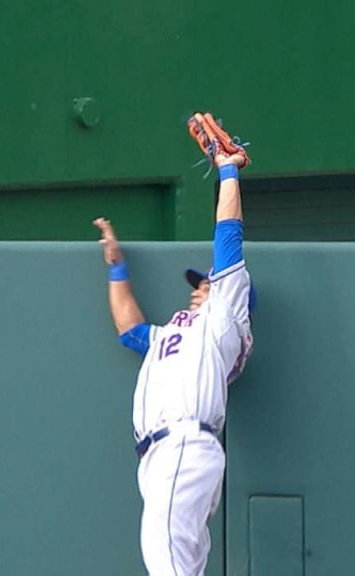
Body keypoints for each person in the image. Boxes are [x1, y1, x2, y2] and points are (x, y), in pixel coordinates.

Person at [92, 112, 255, 576]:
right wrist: (117, 266)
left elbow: (228, 240)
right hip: (165, 457)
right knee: (178, 565)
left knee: (167, 564)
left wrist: (227, 171)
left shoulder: (223, 318)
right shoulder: (175, 333)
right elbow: (130, 330)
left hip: (184, 444)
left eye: (204, 284)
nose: (198, 287)